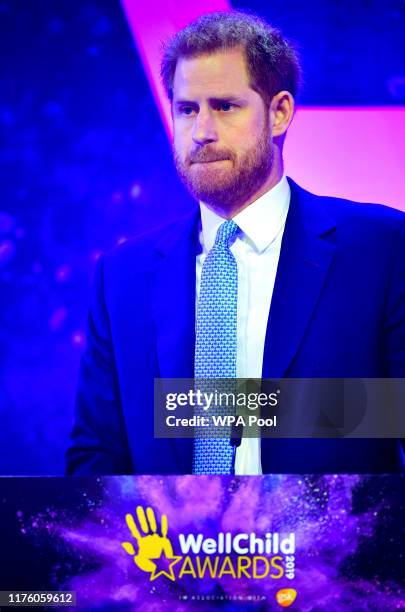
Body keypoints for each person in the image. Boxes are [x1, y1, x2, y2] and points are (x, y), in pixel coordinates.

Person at [66, 11, 405, 476]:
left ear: (280, 112)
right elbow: (95, 460)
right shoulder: (123, 274)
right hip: (168, 550)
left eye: (225, 106)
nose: (201, 131)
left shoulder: (381, 251)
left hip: (334, 547)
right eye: (187, 109)